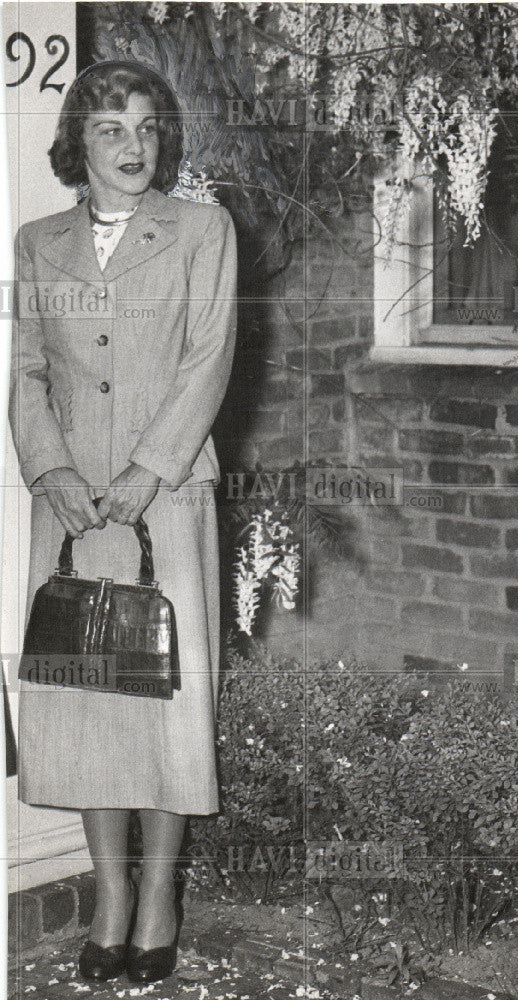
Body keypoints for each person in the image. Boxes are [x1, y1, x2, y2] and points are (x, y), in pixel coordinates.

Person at [9, 60, 237, 984]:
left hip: (165, 497)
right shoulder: (36, 241)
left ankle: (159, 899)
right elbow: (26, 370)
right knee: (93, 701)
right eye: (111, 128)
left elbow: (210, 355)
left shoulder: (201, 230)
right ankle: (109, 896)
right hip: (70, 507)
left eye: (146, 127)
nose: (132, 145)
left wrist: (150, 469)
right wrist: (50, 468)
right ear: (79, 143)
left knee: (166, 705)